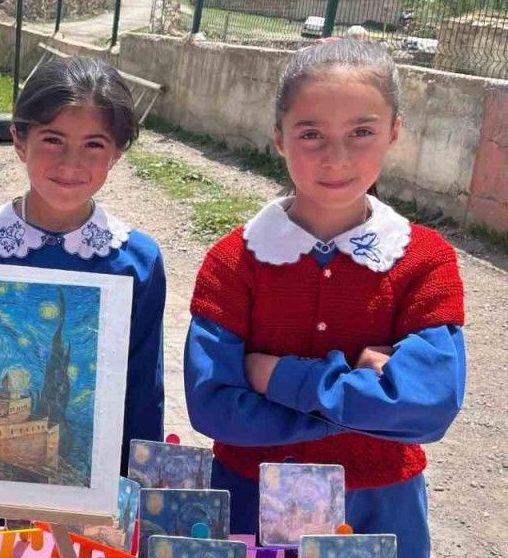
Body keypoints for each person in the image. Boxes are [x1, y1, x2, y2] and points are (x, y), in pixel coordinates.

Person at [184, 39, 465, 557]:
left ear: (394, 131)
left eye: (362, 132)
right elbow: (213, 406)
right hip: (250, 499)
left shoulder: (425, 261)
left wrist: (276, 377)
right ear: (279, 136)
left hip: (380, 508)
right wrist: (366, 400)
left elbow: (428, 407)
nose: (336, 158)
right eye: (311, 134)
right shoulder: (234, 261)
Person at [0, 56, 166, 477]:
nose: (70, 163)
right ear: (19, 140)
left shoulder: (137, 262)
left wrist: (139, 486)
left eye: (94, 144)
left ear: (117, 153)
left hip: (93, 490)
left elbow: (142, 390)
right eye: (52, 139)